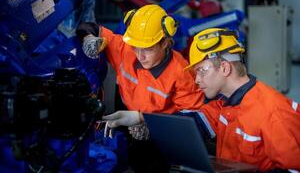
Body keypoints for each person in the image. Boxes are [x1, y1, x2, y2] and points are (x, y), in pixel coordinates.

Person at [105, 28, 300, 172]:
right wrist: (140, 118)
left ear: (224, 68)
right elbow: (191, 124)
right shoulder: (225, 103)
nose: (196, 80)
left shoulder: (273, 112)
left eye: (201, 71)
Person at [76, 4, 205, 172]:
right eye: (136, 47)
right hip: (124, 120)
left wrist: (150, 125)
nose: (140, 55)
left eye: (148, 49)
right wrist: (88, 39)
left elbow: (192, 121)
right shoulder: (125, 49)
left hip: (159, 137)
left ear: (165, 42)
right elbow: (88, 26)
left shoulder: (181, 74)